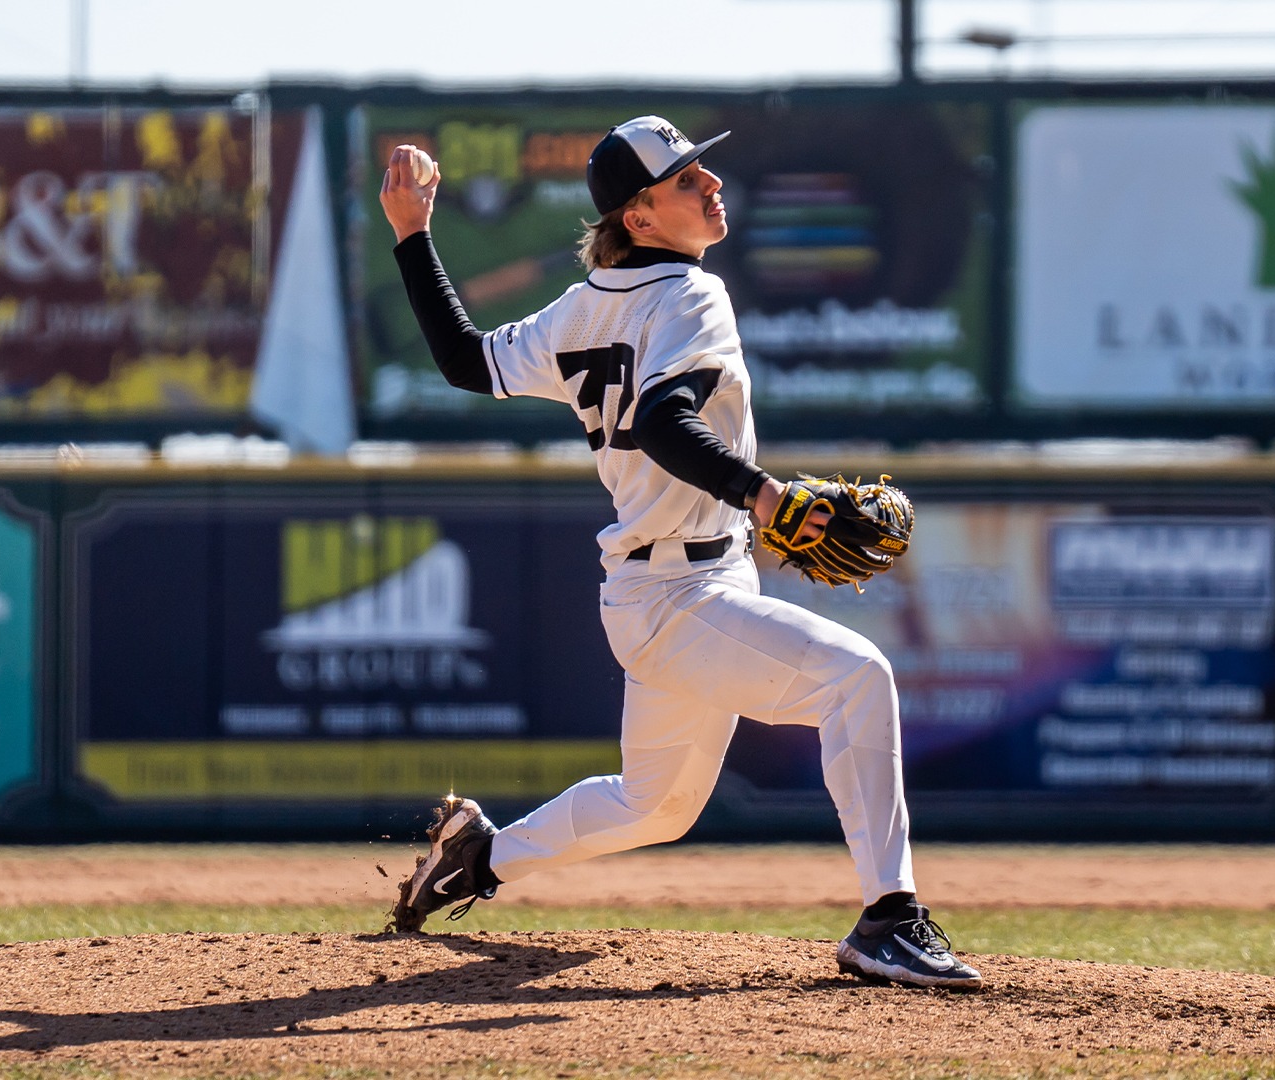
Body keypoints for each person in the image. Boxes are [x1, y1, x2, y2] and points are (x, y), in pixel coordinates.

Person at [379, 115, 981, 990]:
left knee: (653, 803)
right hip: (680, 593)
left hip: (667, 585)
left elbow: (467, 361)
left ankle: (476, 858)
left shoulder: (580, 309)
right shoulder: (692, 295)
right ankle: (889, 918)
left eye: (704, 170)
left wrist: (412, 238)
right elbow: (665, 422)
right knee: (859, 680)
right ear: (640, 218)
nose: (712, 185)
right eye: (686, 180)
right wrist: (768, 494)